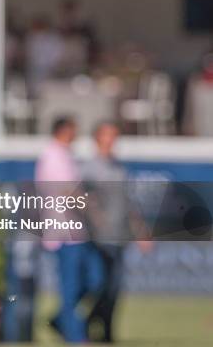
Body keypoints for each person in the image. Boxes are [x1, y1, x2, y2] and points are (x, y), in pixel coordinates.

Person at [81, 121, 152, 343]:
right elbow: (79, 198)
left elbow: (129, 204)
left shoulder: (119, 168)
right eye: (107, 136)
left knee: (115, 289)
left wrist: (141, 231)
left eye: (114, 136)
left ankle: (106, 332)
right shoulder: (90, 168)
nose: (112, 141)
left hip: (120, 237)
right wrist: (96, 220)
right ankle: (83, 324)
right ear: (97, 140)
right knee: (100, 286)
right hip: (99, 239)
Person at [35, 117, 103, 343]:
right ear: (63, 130)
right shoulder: (53, 155)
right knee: (70, 286)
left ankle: (61, 320)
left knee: (95, 280)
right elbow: (66, 191)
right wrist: (91, 206)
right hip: (63, 233)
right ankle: (75, 336)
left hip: (77, 232)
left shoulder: (66, 155)